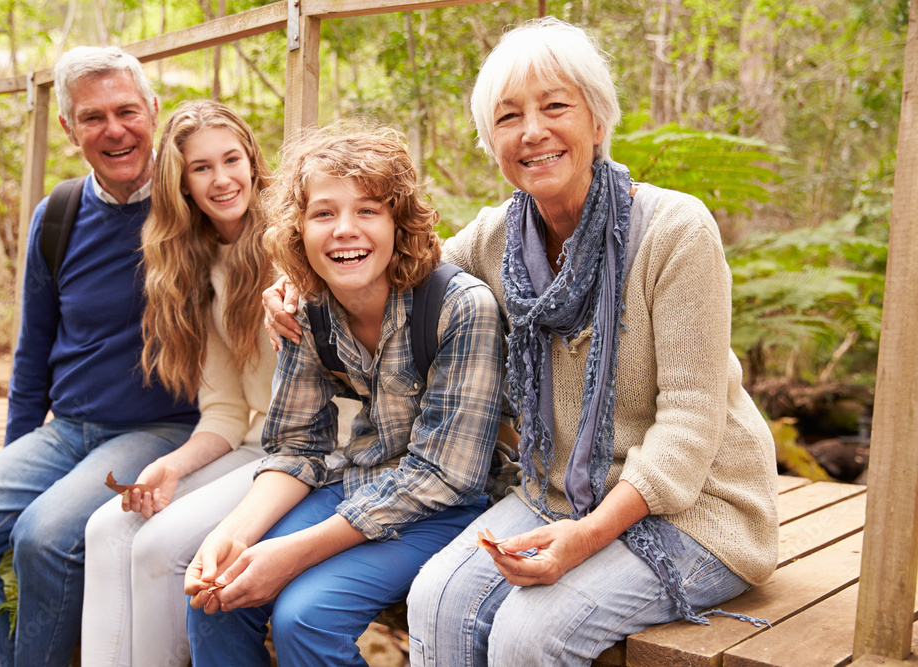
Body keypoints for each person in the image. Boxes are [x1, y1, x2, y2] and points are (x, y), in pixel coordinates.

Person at [266, 18, 779, 666]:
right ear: (493, 142)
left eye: (555, 106)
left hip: (698, 507)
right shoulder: (497, 237)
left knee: (528, 635)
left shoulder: (674, 231)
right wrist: (296, 286)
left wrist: (584, 538)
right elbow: (390, 275)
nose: (532, 130)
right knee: (434, 599)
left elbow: (689, 424)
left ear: (597, 120)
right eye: (509, 116)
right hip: (555, 491)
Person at [184, 125, 513, 666]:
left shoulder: (459, 307)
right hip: (358, 481)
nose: (344, 231)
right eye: (322, 214)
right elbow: (296, 446)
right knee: (216, 592)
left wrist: (288, 554)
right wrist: (231, 534)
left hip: (445, 508)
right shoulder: (308, 308)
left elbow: (446, 476)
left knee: (304, 618)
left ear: (397, 222)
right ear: (299, 229)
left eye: (367, 211)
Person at [0, 46, 200, 667]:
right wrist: (16, 449)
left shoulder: (195, 206)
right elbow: (33, 350)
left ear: (154, 111)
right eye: (93, 117)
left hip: (160, 427)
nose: (115, 129)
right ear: (70, 130)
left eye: (127, 110)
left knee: (43, 539)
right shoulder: (60, 214)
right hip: (67, 429)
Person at [79, 101, 277, 667]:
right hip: (252, 448)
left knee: (161, 548)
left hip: (314, 454)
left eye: (232, 159)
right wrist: (170, 467)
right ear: (182, 183)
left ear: (253, 161)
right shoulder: (197, 263)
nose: (222, 179)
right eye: (201, 168)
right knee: (109, 528)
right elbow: (225, 412)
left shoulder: (293, 244)